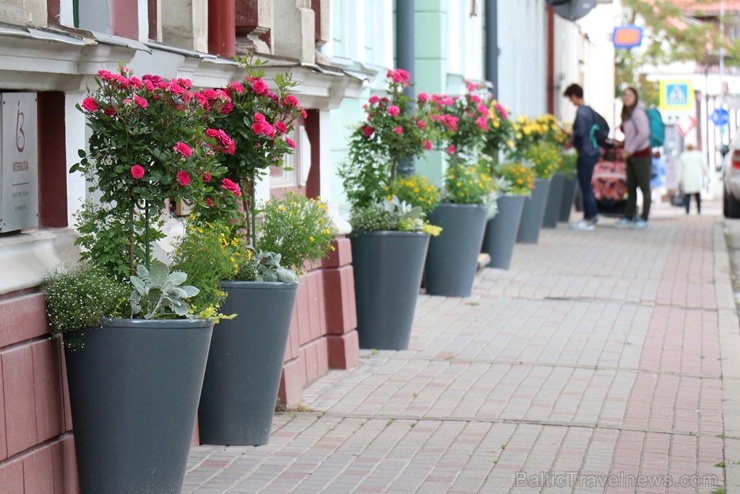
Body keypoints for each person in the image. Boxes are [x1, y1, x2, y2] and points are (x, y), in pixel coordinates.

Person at [563, 83, 602, 231]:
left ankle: (588, 219)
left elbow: (580, 132)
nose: (571, 102)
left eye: (570, 98)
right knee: (588, 185)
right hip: (592, 150)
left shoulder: (581, 113)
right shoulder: (589, 110)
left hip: (585, 153)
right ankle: (593, 214)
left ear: (574, 96)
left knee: (585, 185)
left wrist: (569, 136)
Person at [615, 87, 652, 228]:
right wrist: (624, 144)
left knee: (644, 187)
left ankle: (644, 217)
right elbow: (632, 134)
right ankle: (629, 216)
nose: (627, 97)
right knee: (631, 187)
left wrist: (630, 149)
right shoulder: (628, 113)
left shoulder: (637, 113)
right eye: (624, 95)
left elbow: (644, 133)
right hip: (631, 155)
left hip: (641, 155)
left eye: (630, 95)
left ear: (636, 97)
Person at [676, 143, 707, 214]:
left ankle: (687, 210)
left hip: (687, 177)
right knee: (698, 195)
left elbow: (680, 169)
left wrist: (679, 179)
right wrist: (706, 174)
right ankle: (699, 210)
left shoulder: (683, 156)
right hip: (696, 177)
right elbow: (704, 165)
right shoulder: (698, 155)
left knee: (687, 196)